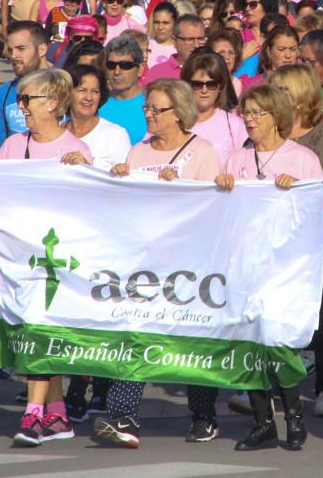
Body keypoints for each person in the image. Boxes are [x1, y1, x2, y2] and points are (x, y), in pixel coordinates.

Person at [98, 79, 221, 449]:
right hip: (146, 265)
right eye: (146, 108)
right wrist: (119, 181)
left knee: (191, 341)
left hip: (189, 264)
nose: (149, 114)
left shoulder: (203, 152)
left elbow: (214, 207)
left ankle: (204, 417)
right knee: (136, 333)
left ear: (179, 112)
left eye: (156, 109)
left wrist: (182, 187)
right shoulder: (139, 151)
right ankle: (123, 414)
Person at [217, 85, 323, 451]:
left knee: (277, 341)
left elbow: (314, 213)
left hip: (284, 268)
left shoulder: (302, 158)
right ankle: (263, 422)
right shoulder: (235, 160)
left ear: (277, 117)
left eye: (258, 113)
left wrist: (296, 192)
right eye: (246, 112)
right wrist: (222, 189)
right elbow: (221, 214)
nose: (250, 119)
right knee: (250, 343)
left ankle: (294, 415)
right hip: (244, 264)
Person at [0, 68, 93, 447]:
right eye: (19, 99)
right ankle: (57, 414)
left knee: (39, 331)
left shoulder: (76, 151)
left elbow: (91, 208)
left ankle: (32, 414)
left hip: (57, 260)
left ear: (52, 104)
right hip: (21, 255)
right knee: (34, 331)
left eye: (27, 99)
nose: (20, 107)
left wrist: (83, 173)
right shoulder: (11, 146)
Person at [266, 65, 323, 419]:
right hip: (278, 242)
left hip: (321, 237)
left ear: (300, 94)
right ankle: (272, 387)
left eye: (283, 90)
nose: (278, 97)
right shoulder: (271, 132)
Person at [0, 22, 50, 151]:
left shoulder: (64, 86)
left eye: (21, 49)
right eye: (11, 50)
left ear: (42, 49)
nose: (13, 56)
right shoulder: (4, 92)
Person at [181, 50, 247, 166]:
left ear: (220, 87)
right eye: (197, 84)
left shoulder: (235, 126)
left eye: (211, 85)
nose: (204, 90)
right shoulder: (174, 121)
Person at [65, 63, 131, 171]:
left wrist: (87, 168)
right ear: (67, 93)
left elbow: (124, 183)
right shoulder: (56, 133)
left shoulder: (116, 135)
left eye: (95, 92)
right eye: (82, 90)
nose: (89, 97)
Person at [99, 35, 148, 145]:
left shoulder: (152, 103)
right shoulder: (97, 103)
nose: (117, 72)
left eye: (125, 65)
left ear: (140, 70)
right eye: (111, 65)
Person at [143, 14, 209, 83]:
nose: (196, 45)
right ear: (174, 41)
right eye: (189, 39)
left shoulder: (213, 69)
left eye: (200, 39)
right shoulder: (157, 74)